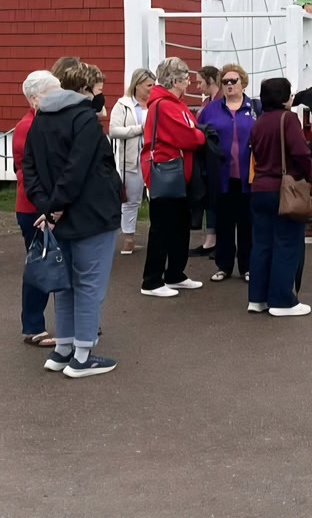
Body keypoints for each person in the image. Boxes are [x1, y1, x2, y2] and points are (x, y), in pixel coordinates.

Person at [23, 61, 122, 377]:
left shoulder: (41, 118)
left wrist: (47, 207)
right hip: (92, 214)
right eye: (97, 90)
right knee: (89, 284)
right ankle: (82, 355)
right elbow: (78, 168)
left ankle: (63, 349)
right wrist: (57, 206)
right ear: (84, 89)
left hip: (59, 217)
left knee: (64, 286)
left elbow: (29, 168)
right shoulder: (84, 119)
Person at [139, 57, 207, 297]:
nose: (188, 82)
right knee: (162, 227)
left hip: (178, 173)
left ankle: (175, 273)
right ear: (176, 80)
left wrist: (196, 133)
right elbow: (189, 136)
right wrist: (199, 135)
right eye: (185, 78)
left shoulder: (174, 103)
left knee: (179, 225)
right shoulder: (165, 105)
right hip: (167, 172)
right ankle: (151, 281)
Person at [248, 77, 312, 316]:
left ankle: (257, 298)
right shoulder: (288, 119)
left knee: (261, 244)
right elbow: (300, 152)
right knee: (287, 242)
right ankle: (282, 301)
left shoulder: (258, 121)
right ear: (284, 98)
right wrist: (308, 175)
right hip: (284, 188)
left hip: (259, 187)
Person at [197, 64, 258, 282]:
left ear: (243, 83)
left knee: (246, 222)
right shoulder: (211, 110)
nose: (229, 85)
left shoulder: (254, 108)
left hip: (248, 176)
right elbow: (198, 135)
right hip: (221, 175)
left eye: (234, 81)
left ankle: (247, 267)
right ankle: (223, 266)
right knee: (223, 222)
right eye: (225, 82)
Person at [14, 70, 62, 347]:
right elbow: (30, 173)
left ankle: (72, 320)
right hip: (35, 209)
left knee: (59, 263)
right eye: (53, 92)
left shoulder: (47, 122)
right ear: (34, 98)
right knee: (40, 266)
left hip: (51, 206)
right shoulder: (27, 127)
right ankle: (32, 326)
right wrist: (47, 208)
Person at [110, 67, 156, 255]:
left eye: (153, 85)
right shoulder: (123, 105)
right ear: (137, 85)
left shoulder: (156, 104)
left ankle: (158, 237)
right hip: (132, 159)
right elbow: (114, 131)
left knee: (158, 198)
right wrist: (140, 129)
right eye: (148, 85)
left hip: (155, 158)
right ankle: (128, 238)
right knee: (131, 199)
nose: (151, 89)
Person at [191, 66, 222, 255]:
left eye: (200, 82)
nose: (197, 86)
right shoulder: (208, 102)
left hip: (217, 154)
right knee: (209, 196)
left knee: (217, 197)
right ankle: (211, 239)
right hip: (206, 153)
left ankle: (216, 241)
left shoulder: (218, 103)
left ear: (210, 80)